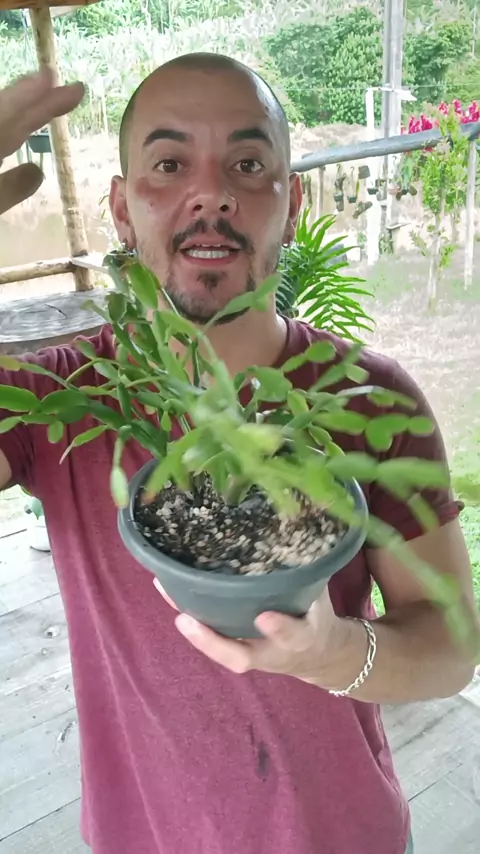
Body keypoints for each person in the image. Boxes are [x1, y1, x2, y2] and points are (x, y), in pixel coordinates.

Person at [0, 58, 478, 854]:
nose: (212, 194)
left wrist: (333, 654)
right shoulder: (58, 395)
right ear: (121, 209)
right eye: (169, 164)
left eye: (249, 165)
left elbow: (452, 651)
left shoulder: (370, 398)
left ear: (292, 205)